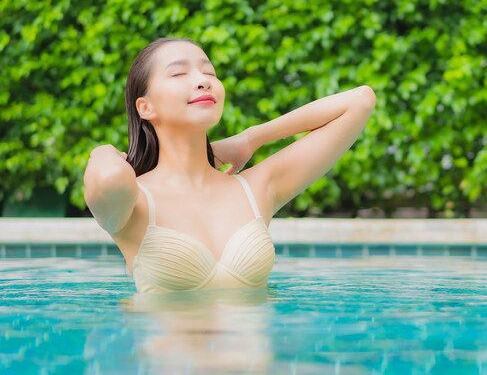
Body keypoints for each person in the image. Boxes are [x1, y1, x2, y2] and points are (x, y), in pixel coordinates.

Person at [84, 37, 376, 293]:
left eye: (208, 71)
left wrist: (251, 138)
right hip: (168, 358)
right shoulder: (134, 202)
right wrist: (104, 150)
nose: (203, 80)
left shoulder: (257, 188)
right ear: (145, 107)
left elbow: (360, 101)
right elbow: (108, 175)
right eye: (179, 73)